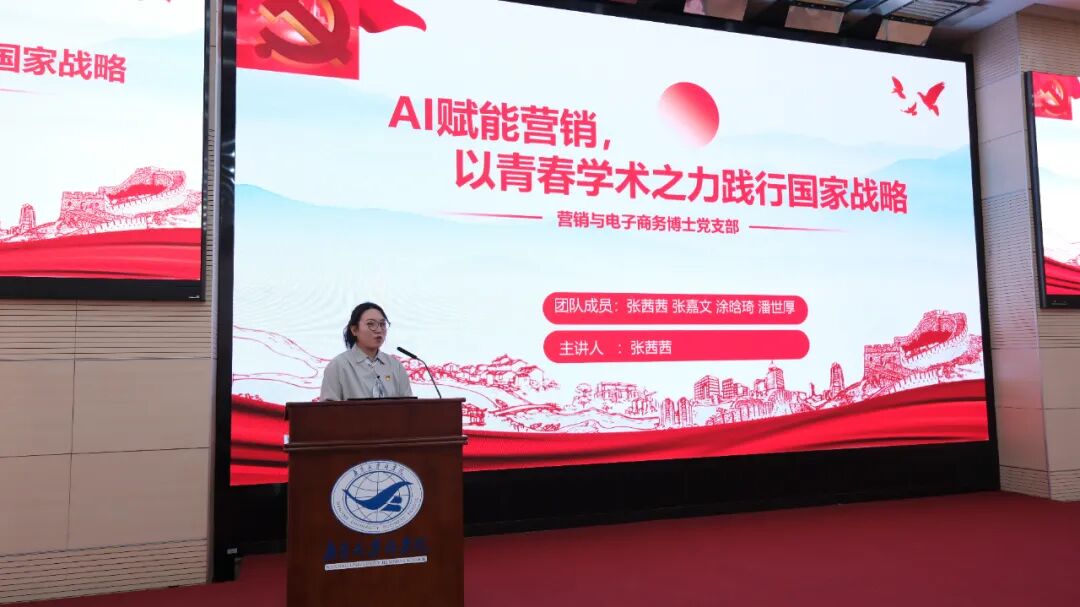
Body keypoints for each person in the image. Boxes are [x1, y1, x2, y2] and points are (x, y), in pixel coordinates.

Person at [319, 302, 414, 401]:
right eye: (370, 324)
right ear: (354, 330)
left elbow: (408, 406)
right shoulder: (338, 365)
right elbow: (328, 408)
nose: (379, 330)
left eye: (382, 324)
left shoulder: (395, 366)